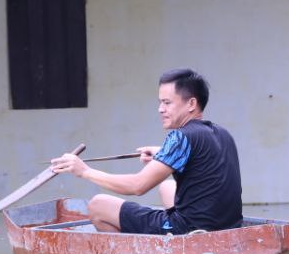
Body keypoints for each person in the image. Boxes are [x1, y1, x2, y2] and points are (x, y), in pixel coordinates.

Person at [50, 69, 242, 234]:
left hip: (190, 230)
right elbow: (202, 161)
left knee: (98, 205)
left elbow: (137, 186)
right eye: (160, 102)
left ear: (191, 104)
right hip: (227, 227)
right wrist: (162, 153)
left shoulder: (180, 137)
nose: (160, 109)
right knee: (166, 187)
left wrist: (84, 171)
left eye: (167, 103)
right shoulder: (222, 133)